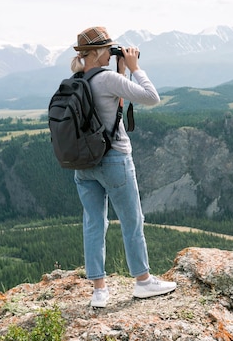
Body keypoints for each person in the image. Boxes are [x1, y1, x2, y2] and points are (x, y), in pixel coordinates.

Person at [70, 26, 176, 307]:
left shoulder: (77, 80)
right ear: (98, 52)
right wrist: (134, 66)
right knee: (132, 221)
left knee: (94, 223)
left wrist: (121, 71)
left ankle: (99, 290)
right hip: (114, 159)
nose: (112, 53)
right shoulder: (107, 79)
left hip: (84, 164)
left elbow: (112, 106)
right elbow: (151, 97)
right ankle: (143, 282)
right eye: (109, 49)